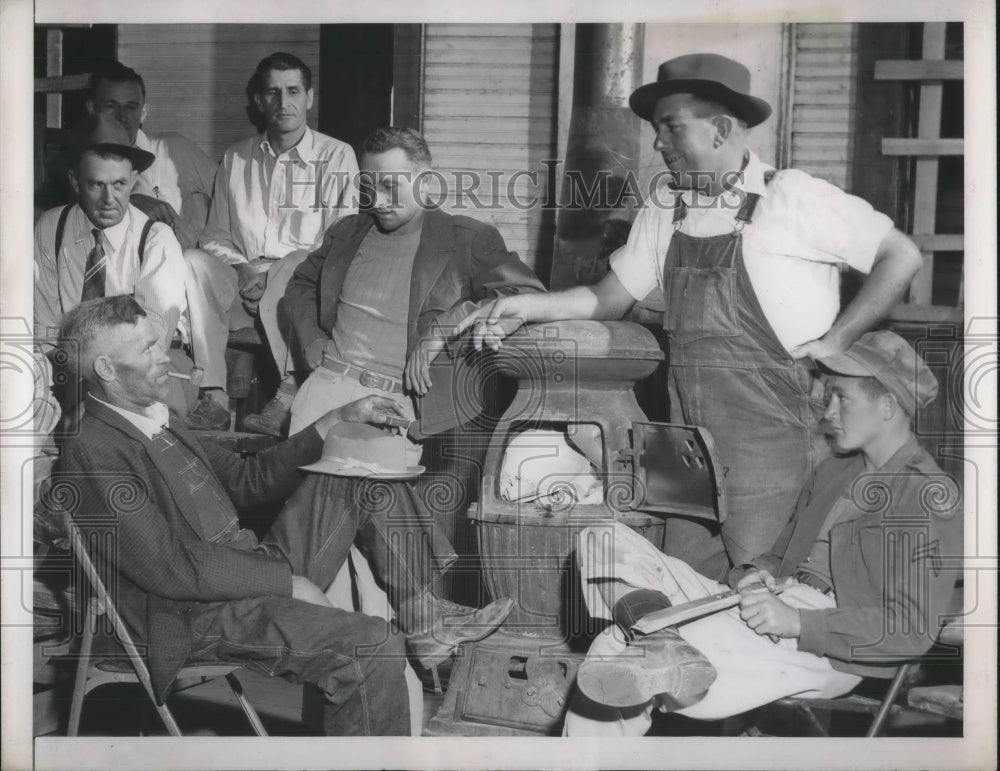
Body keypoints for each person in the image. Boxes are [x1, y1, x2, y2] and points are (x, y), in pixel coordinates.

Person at [457, 53, 924, 579]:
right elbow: (607, 298)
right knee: (679, 585)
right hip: (684, 449)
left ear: (721, 129)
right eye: (656, 129)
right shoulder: (665, 209)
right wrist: (528, 306)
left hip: (772, 447)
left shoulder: (791, 197)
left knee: (763, 588)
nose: (658, 143)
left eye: (671, 128)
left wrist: (838, 341)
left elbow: (900, 256)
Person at [48, 295, 513, 736]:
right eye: (148, 348)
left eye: (159, 340)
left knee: (359, 473)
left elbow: (250, 480)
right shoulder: (93, 450)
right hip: (187, 614)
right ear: (106, 369)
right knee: (370, 645)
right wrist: (286, 581)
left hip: (240, 572)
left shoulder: (156, 414)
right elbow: (173, 570)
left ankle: (425, 618)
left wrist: (335, 420)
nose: (166, 355)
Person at [562, 330, 961, 735]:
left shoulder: (927, 494)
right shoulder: (836, 471)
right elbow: (781, 555)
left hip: (831, 645)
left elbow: (908, 630)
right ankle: (663, 640)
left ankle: (662, 643)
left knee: (616, 646)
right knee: (601, 536)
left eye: (844, 398)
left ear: (888, 407)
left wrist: (799, 622)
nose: (830, 410)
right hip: (770, 602)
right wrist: (756, 572)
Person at [284, 126, 545, 440]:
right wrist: (311, 339)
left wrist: (443, 327)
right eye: (368, 186)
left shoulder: (469, 240)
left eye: (390, 186)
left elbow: (528, 294)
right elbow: (301, 284)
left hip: (397, 408)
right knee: (294, 486)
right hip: (323, 394)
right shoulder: (347, 231)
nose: (377, 201)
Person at [184, 52, 359, 432]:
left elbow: (340, 242)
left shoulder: (336, 156)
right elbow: (214, 236)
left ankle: (288, 394)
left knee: (296, 258)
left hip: (300, 292)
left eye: (293, 91)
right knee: (193, 262)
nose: (284, 102)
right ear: (260, 101)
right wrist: (242, 267)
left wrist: (276, 272)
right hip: (244, 285)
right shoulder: (236, 158)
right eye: (273, 92)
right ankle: (212, 396)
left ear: (309, 98)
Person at [34, 113, 186, 353]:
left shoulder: (157, 239)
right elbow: (44, 331)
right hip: (66, 368)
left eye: (119, 185)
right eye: (96, 184)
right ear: (75, 182)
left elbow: (153, 343)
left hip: (134, 375)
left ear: (134, 181)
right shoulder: (52, 226)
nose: (108, 200)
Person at [85, 60, 218, 251]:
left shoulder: (173, 151)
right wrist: (132, 205)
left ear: (143, 112)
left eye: (131, 107)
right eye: (111, 106)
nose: (122, 117)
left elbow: (231, 196)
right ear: (91, 108)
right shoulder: (81, 163)